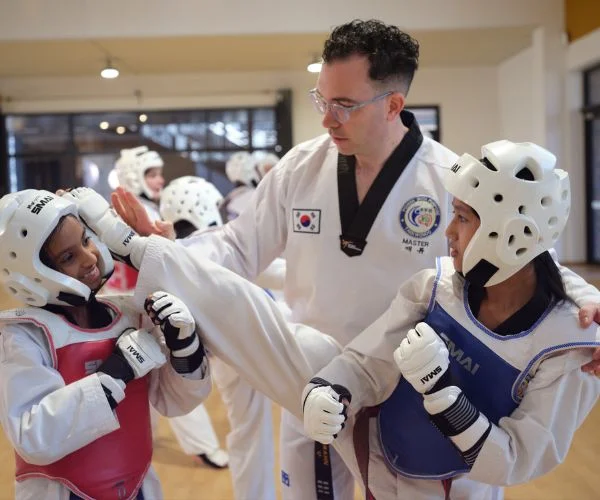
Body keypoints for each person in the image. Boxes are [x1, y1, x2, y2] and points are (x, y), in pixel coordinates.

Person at [106, 19, 600, 500]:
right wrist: (174, 252)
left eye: (344, 104)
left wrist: (590, 305)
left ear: (393, 104)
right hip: (317, 383)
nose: (327, 117)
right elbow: (237, 246)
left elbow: (526, 253)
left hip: (426, 392)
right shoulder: (301, 167)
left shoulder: (447, 177)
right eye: (323, 99)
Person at [0, 189, 210, 500]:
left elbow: (176, 402)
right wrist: (115, 374)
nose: (90, 258)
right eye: (68, 257)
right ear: (33, 275)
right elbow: (32, 436)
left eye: (86, 240)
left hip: (137, 483)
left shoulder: (127, 315)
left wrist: (186, 350)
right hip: (61, 491)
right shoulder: (26, 335)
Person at [159, 175, 277, 500]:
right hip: (244, 345)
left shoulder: (174, 252)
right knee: (255, 433)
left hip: (227, 351)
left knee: (249, 432)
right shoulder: (201, 250)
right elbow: (266, 271)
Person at [113, 148, 229, 469]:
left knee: (174, 377)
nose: (159, 179)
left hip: (156, 307)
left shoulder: (154, 211)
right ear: (133, 175)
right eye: (151, 173)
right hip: (129, 309)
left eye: (158, 173)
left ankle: (198, 445)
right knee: (144, 386)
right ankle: (140, 450)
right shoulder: (121, 212)